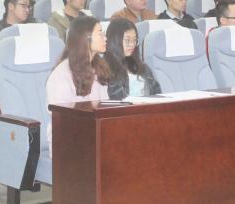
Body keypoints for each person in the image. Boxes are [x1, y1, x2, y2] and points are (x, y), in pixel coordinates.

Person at [45, 15, 110, 152]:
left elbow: (103, 108)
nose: (105, 38)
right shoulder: (61, 74)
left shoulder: (98, 67)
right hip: (67, 141)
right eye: (100, 34)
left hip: (94, 134)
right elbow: (62, 119)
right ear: (85, 38)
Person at [103, 18, 161, 99]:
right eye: (127, 40)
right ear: (115, 40)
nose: (132, 44)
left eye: (134, 40)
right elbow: (116, 100)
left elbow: (157, 92)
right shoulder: (105, 68)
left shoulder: (142, 66)